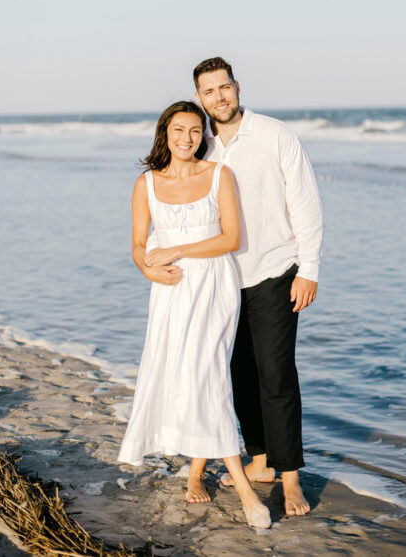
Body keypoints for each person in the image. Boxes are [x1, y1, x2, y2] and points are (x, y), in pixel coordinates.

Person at [118, 100, 271, 530]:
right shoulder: (146, 183)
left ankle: (240, 488)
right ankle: (199, 468)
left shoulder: (219, 174)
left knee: (208, 373)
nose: (186, 138)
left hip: (213, 285)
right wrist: (147, 266)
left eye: (194, 131)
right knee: (189, 375)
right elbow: (136, 244)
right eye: (178, 130)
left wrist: (178, 249)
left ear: (203, 135)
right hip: (169, 290)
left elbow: (231, 237)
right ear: (164, 133)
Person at [192, 57, 323, 517]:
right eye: (208, 92)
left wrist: (309, 268)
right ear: (200, 99)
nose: (219, 98)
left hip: (274, 272)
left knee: (277, 376)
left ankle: (290, 480)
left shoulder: (275, 135)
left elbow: (305, 203)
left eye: (223, 87)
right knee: (238, 374)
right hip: (221, 279)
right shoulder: (200, 146)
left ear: (237, 87)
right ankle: (262, 461)